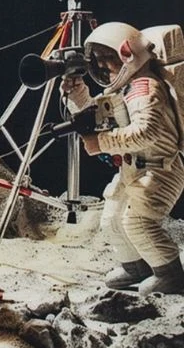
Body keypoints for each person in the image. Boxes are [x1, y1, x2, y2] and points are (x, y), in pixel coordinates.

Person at [61, 21, 184, 295]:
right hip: (135, 168)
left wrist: (102, 142)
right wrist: (77, 94)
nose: (103, 65)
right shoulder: (127, 87)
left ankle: (171, 275)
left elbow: (146, 132)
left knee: (139, 221)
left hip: (160, 169)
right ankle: (136, 268)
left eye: (109, 58)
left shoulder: (146, 88)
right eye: (98, 59)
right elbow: (97, 115)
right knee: (112, 218)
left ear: (129, 54)